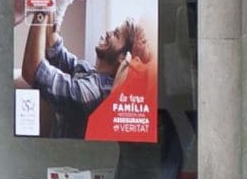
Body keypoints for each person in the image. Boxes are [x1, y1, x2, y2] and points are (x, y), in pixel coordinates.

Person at [19, 12, 151, 140]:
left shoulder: (92, 92)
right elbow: (54, 49)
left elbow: (32, 70)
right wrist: (50, 6)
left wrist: (40, 13)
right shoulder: (93, 73)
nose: (108, 33)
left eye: (116, 34)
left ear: (123, 57)